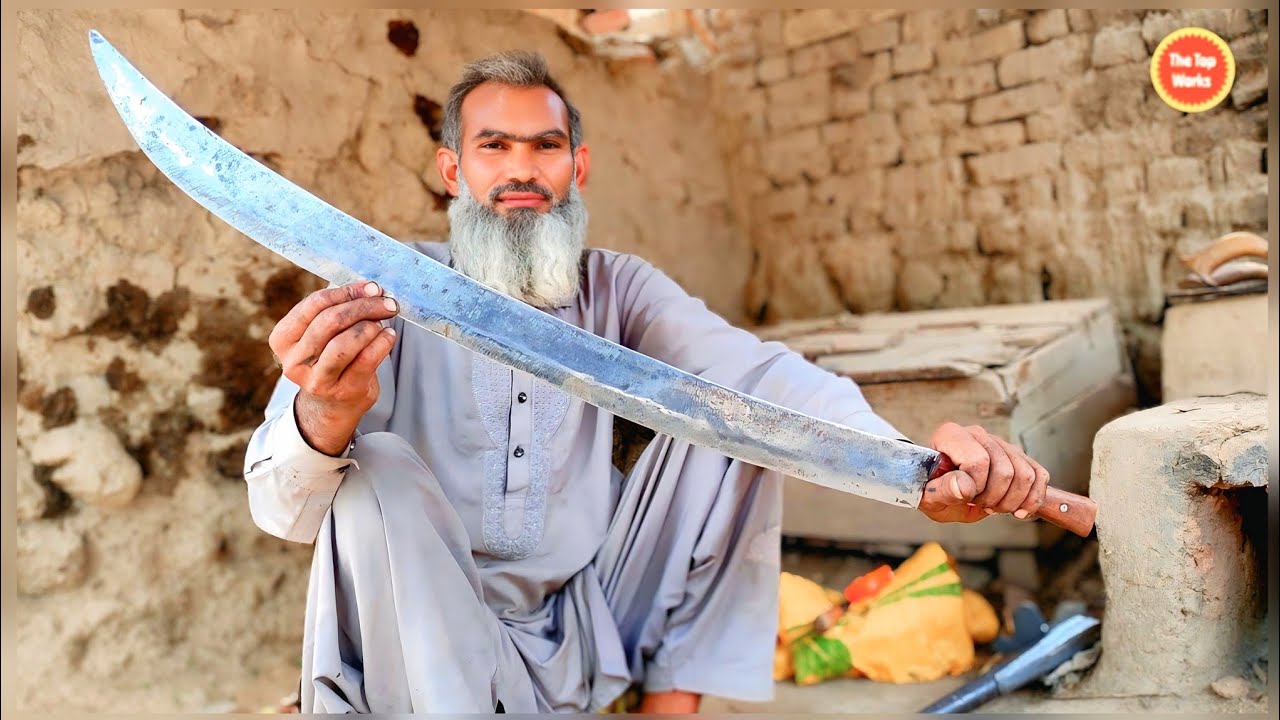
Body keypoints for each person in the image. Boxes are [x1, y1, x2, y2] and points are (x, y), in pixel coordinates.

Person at [243, 50, 1051, 714]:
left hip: (583, 631)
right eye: (494, 147)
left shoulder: (618, 288)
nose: (521, 171)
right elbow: (281, 511)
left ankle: (670, 705)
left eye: (544, 147)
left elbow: (761, 373)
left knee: (736, 421)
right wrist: (324, 410)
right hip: (420, 650)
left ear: (577, 165)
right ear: (452, 168)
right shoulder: (386, 290)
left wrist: (910, 465)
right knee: (374, 467)